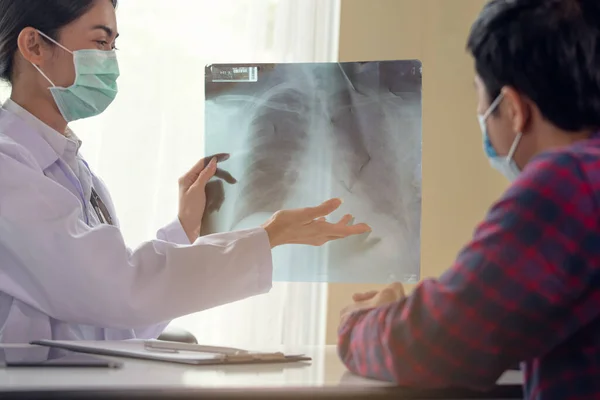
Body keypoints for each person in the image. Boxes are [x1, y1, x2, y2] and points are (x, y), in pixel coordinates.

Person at [0, 0, 371, 344]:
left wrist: (185, 228)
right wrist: (267, 235)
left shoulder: (77, 172)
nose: (110, 61)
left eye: (114, 46)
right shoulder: (7, 166)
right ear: (34, 45)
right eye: (100, 42)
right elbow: (119, 291)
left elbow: (123, 322)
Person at [337, 0, 600, 398]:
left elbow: (440, 344)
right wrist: (414, 313)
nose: (481, 117)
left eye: (480, 101)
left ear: (512, 109)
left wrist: (359, 324)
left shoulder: (569, 181)